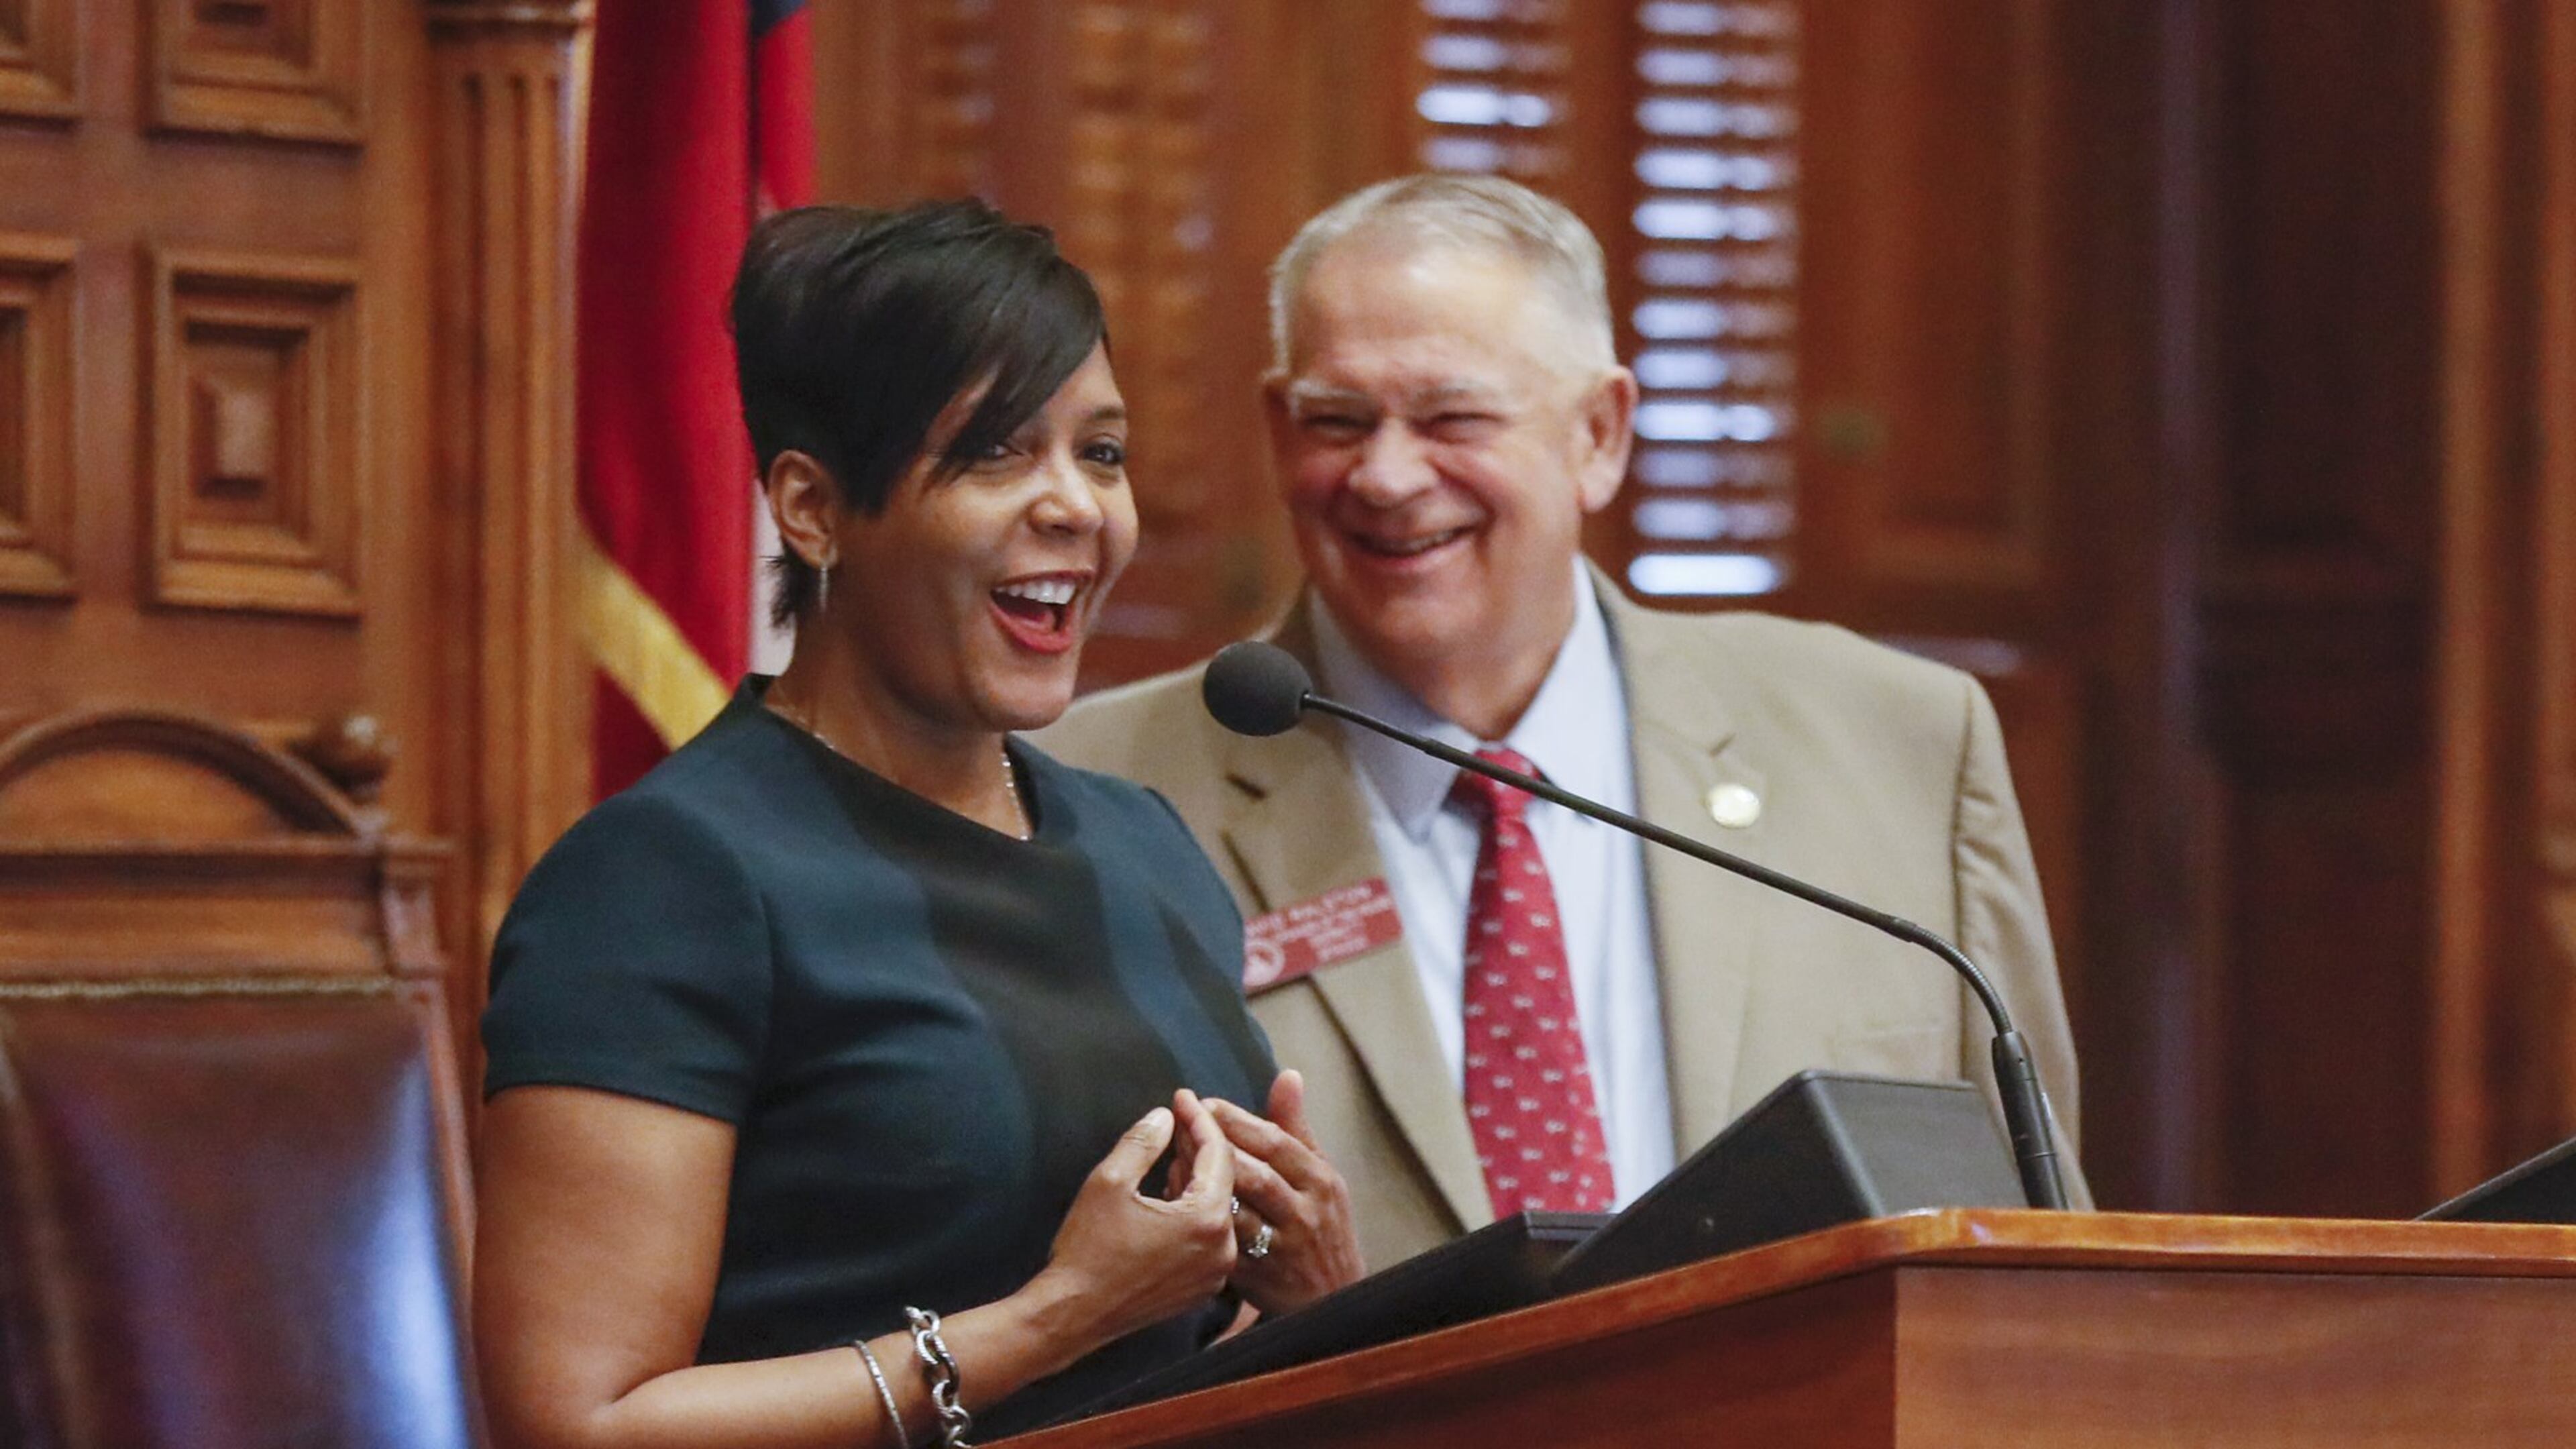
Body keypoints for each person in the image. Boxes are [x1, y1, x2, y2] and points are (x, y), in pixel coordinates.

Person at [1036, 174, 2089, 1272]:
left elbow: (2037, 1260)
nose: (1388, 476)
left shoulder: (1901, 741)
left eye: (1454, 418)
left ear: (1600, 433)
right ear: (1276, 428)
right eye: (1338, 422)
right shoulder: (1094, 795)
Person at [474, 201, 1362, 1449]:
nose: (1076, 507)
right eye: (998, 453)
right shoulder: (662, 882)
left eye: (1100, 454)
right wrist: (1052, 1320)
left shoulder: (1144, 845)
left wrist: (1307, 1303)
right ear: (812, 509)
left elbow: (1173, 1351)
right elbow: (577, 1424)